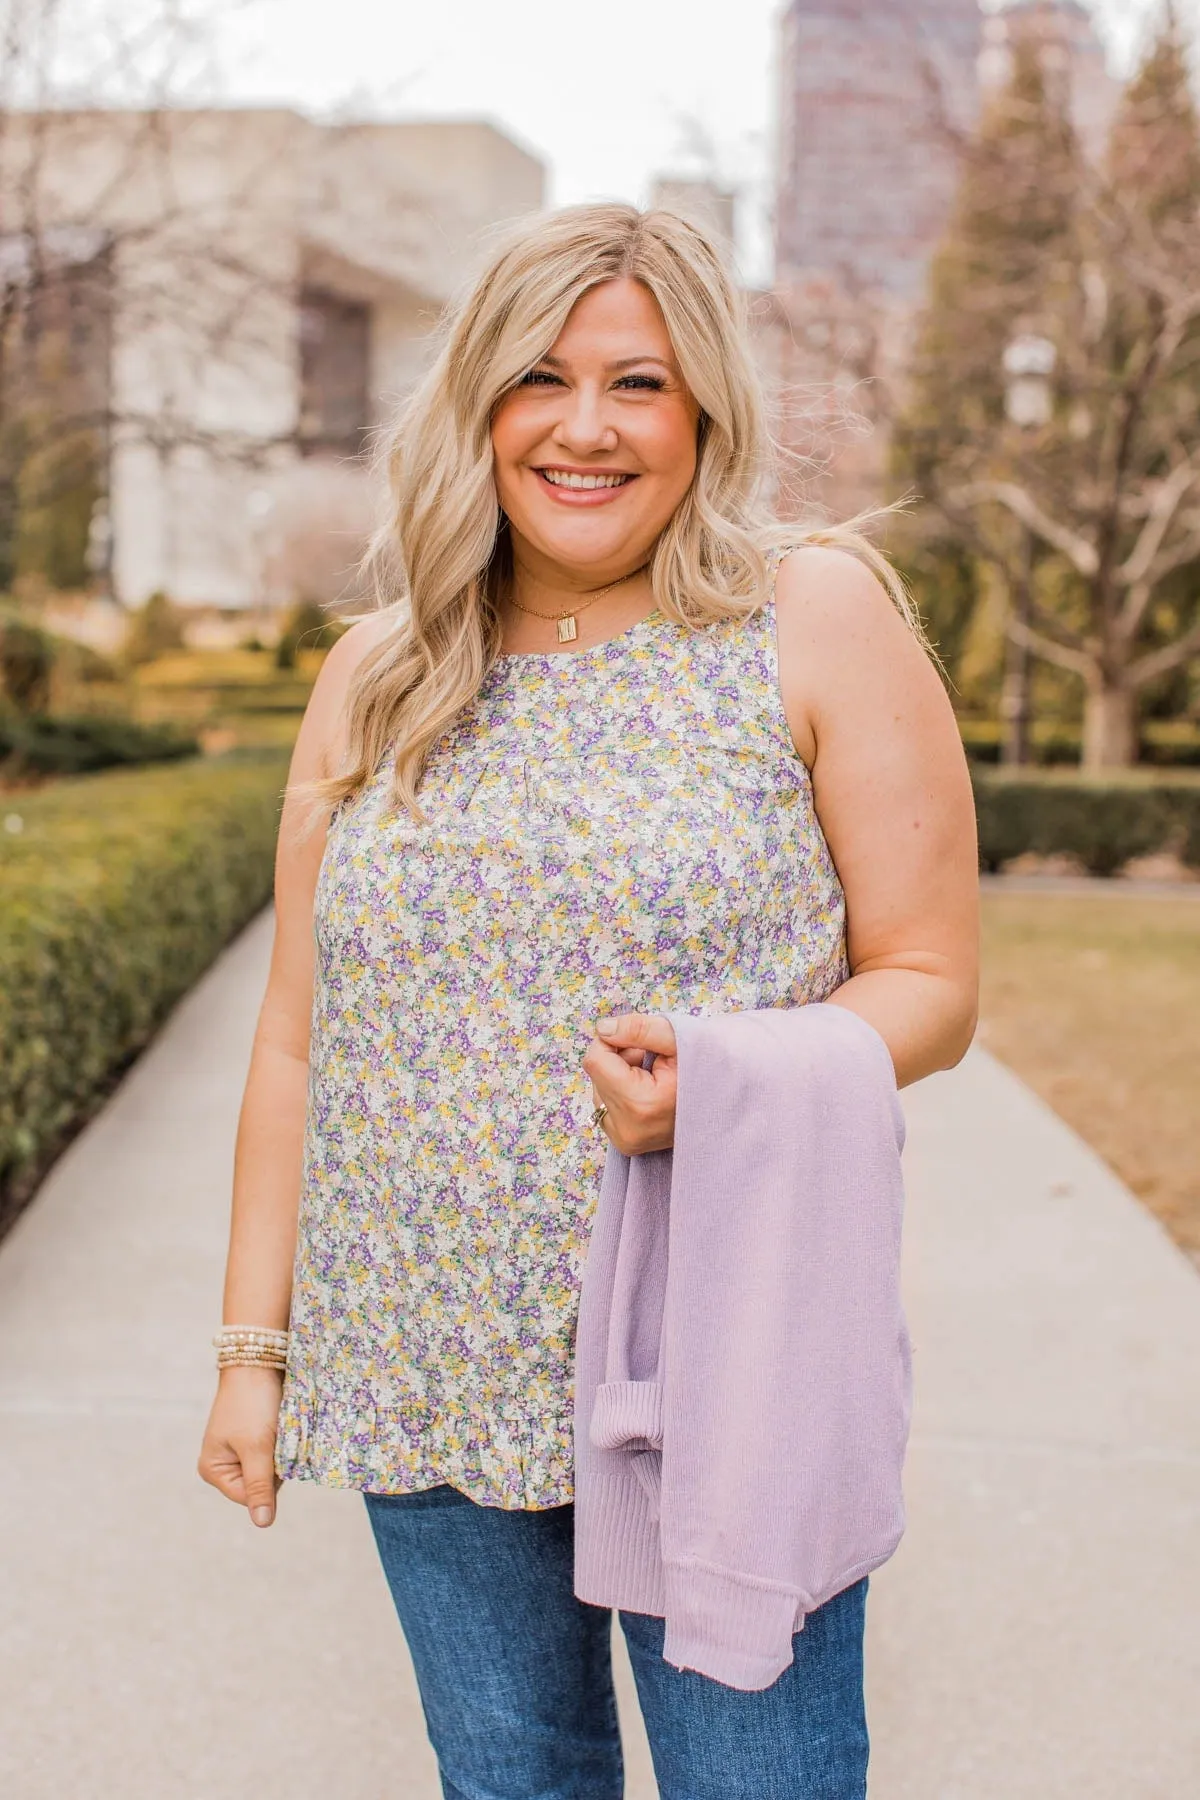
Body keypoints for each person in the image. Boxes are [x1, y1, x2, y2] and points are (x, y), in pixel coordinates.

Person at [198, 202, 980, 1799]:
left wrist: (733, 1074)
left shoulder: (809, 617)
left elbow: (935, 983)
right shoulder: (382, 670)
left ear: (706, 412)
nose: (586, 426)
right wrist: (252, 1346)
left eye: (640, 382)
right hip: (425, 1357)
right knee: (510, 1783)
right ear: (478, 404)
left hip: (721, 1359)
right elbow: (297, 1041)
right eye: (540, 378)